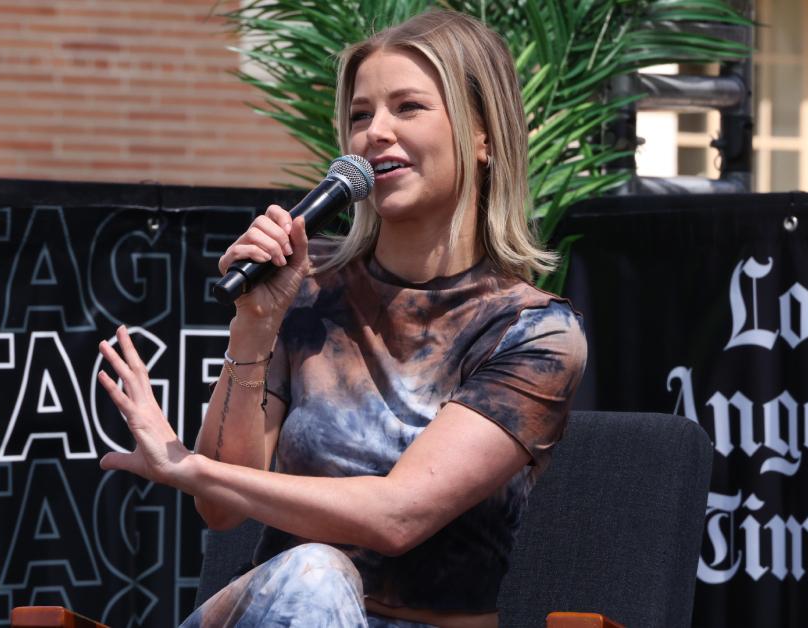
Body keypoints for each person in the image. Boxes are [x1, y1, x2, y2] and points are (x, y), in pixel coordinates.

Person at [95, 9, 587, 628]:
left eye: (407, 107)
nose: (374, 133)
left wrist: (189, 467)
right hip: (286, 610)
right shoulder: (309, 295)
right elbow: (221, 511)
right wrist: (254, 324)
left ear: (483, 137)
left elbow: (398, 516)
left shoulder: (533, 333)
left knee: (318, 572)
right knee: (314, 575)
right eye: (360, 115)